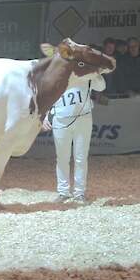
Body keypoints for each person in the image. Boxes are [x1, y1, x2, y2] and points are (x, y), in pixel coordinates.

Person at [43, 71, 106, 204]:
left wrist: (95, 73)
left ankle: (79, 193)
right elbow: (47, 95)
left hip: (83, 118)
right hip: (60, 119)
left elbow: (101, 86)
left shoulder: (85, 74)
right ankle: (63, 192)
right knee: (62, 158)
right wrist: (44, 115)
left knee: (80, 158)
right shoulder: (56, 74)